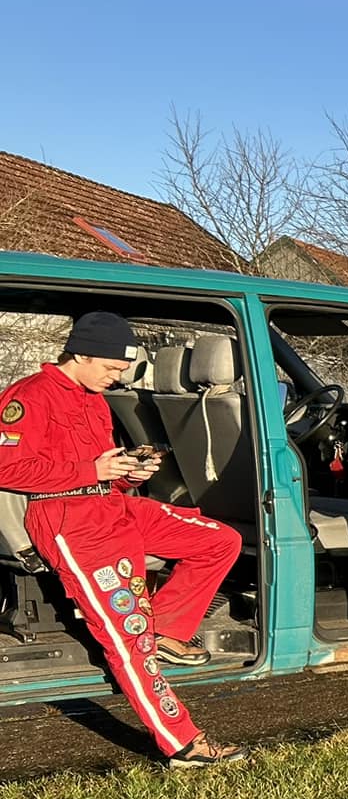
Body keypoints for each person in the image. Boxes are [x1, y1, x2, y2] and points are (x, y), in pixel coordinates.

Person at [0, 311, 245, 766]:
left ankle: (167, 630)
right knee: (129, 636)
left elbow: (104, 472)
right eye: (112, 367)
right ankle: (182, 743)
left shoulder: (95, 399)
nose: (116, 377)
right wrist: (91, 470)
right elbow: (6, 468)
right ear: (82, 353)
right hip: (69, 522)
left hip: (114, 506)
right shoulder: (28, 397)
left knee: (220, 541)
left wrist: (130, 472)